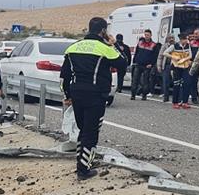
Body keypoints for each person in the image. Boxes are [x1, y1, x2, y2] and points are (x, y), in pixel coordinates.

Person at [61, 17, 127, 180]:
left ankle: (82, 162)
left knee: (83, 130)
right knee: (91, 132)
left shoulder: (73, 47)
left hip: (77, 94)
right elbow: (123, 64)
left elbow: (64, 77)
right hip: (96, 94)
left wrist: (67, 95)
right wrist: (114, 44)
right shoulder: (104, 48)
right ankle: (83, 169)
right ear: (103, 31)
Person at [164, 33, 193, 109]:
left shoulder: (188, 45)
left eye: (186, 39)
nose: (186, 41)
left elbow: (190, 55)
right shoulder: (174, 46)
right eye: (184, 39)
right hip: (176, 67)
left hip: (185, 67)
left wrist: (185, 59)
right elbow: (165, 53)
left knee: (187, 83)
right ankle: (175, 102)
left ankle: (185, 102)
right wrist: (173, 57)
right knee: (176, 84)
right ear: (181, 40)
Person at [131, 29, 160, 101]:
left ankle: (144, 95)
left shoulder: (154, 45)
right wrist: (134, 61)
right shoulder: (140, 43)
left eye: (148, 35)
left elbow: (155, 56)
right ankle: (133, 95)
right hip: (138, 64)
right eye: (145, 35)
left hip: (147, 65)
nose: (146, 36)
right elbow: (136, 52)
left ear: (151, 35)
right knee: (135, 80)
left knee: (145, 81)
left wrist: (151, 64)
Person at [156, 35, 175, 102]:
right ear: (167, 39)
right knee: (165, 82)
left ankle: (175, 97)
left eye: (172, 38)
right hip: (166, 66)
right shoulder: (164, 46)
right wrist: (159, 66)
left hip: (174, 66)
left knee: (175, 82)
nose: (171, 39)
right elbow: (160, 56)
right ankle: (166, 96)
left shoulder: (176, 46)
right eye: (170, 38)